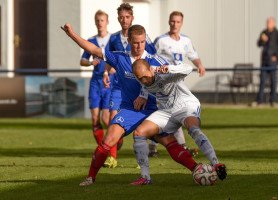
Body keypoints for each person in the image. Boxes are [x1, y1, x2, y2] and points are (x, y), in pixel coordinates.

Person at [62, 23, 196, 186]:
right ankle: (91, 177)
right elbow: (93, 50)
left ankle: (197, 169)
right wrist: (72, 34)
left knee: (168, 142)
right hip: (129, 111)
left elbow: (172, 79)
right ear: (128, 40)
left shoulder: (156, 61)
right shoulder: (120, 58)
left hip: (153, 111)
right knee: (108, 140)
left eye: (142, 42)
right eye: (135, 42)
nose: (139, 46)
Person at [131, 59, 227, 184]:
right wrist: (142, 96)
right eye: (139, 78)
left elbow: (187, 68)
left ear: (151, 69)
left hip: (185, 105)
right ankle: (145, 178)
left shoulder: (163, 72)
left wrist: (168, 68)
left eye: (145, 76)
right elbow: (144, 86)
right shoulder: (143, 79)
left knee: (193, 129)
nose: (144, 80)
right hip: (166, 111)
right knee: (139, 133)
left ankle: (216, 163)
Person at [103, 3, 157, 168]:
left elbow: (151, 59)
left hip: (139, 86)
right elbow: (109, 58)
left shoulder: (142, 36)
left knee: (141, 123)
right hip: (119, 85)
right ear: (118, 19)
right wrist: (106, 72)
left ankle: (141, 157)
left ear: (132, 18)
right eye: (121, 17)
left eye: (127, 17)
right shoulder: (113, 38)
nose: (124, 20)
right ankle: (112, 155)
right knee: (109, 119)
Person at [149, 11, 206, 157]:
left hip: (178, 84)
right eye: (172, 21)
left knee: (173, 112)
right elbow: (149, 57)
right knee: (169, 113)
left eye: (178, 22)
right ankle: (162, 146)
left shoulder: (185, 41)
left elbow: (194, 56)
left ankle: (172, 146)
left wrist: (200, 65)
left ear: (182, 23)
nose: (175, 24)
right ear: (169, 22)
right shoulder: (161, 40)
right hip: (163, 84)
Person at [80, 10, 112, 148]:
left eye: (102, 20)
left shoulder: (113, 40)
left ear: (107, 22)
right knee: (94, 118)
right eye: (97, 20)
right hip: (95, 82)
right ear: (95, 22)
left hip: (110, 81)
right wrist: (90, 63)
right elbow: (82, 60)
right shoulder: (91, 41)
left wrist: (111, 71)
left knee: (106, 118)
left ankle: (114, 141)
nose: (100, 23)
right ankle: (102, 150)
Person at [256, 17, 278, 106]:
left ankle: (273, 100)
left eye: (269, 22)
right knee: (262, 81)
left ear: (274, 24)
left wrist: (276, 56)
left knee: (273, 81)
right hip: (264, 61)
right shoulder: (264, 32)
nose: (267, 24)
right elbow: (258, 44)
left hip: (272, 62)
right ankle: (260, 101)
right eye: (267, 22)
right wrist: (262, 40)